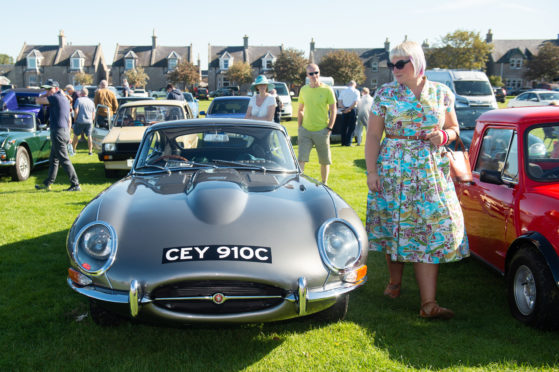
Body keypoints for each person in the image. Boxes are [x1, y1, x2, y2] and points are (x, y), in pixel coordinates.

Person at [364, 40, 469, 319]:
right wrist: (372, 172)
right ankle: (395, 282)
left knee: (430, 227)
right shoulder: (385, 93)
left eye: (401, 63)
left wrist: (443, 136)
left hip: (430, 170)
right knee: (393, 223)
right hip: (393, 167)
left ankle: (428, 304)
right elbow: (374, 136)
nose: (395, 69)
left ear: (418, 62)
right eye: (391, 64)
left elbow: (455, 128)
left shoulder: (441, 92)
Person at [34, 80, 81, 191]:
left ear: (55, 88)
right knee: (54, 159)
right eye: (46, 89)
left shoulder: (55, 98)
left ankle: (75, 184)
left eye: (49, 89)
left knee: (64, 159)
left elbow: (37, 100)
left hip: (58, 132)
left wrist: (44, 94)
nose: (47, 91)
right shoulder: (63, 98)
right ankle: (48, 183)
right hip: (63, 131)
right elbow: (69, 119)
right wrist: (68, 134)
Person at [297, 64, 336, 184]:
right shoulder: (304, 90)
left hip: (322, 130)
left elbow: (333, 110)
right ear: (307, 75)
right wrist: (300, 127)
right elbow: (300, 109)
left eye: (316, 72)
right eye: (311, 73)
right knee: (301, 160)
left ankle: (324, 184)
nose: (314, 75)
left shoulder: (327, 89)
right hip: (306, 131)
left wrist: (329, 128)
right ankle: (299, 183)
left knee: (324, 161)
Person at [72, 87, 96, 155]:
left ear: (81, 93)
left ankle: (74, 150)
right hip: (89, 121)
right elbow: (93, 113)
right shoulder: (91, 101)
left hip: (80, 120)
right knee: (89, 136)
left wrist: (75, 119)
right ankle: (90, 151)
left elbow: (76, 111)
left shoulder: (78, 100)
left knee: (76, 135)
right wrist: (92, 120)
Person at [338, 80, 360, 146]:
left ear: (348, 84)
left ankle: (343, 142)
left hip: (344, 109)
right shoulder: (356, 91)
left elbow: (339, 101)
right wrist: (349, 109)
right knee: (351, 127)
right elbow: (355, 102)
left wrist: (345, 108)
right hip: (352, 109)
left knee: (343, 126)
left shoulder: (343, 91)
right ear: (354, 85)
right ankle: (348, 142)